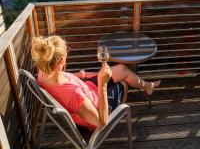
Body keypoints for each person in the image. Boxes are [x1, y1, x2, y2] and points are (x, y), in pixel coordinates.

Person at [31, 35, 160, 131]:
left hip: (88, 88)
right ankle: (117, 116)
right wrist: (102, 83)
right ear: (61, 62)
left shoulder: (43, 72)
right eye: (66, 52)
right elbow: (101, 122)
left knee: (121, 68)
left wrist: (83, 75)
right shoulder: (74, 95)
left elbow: (64, 77)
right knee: (124, 84)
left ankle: (148, 86)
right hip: (97, 108)